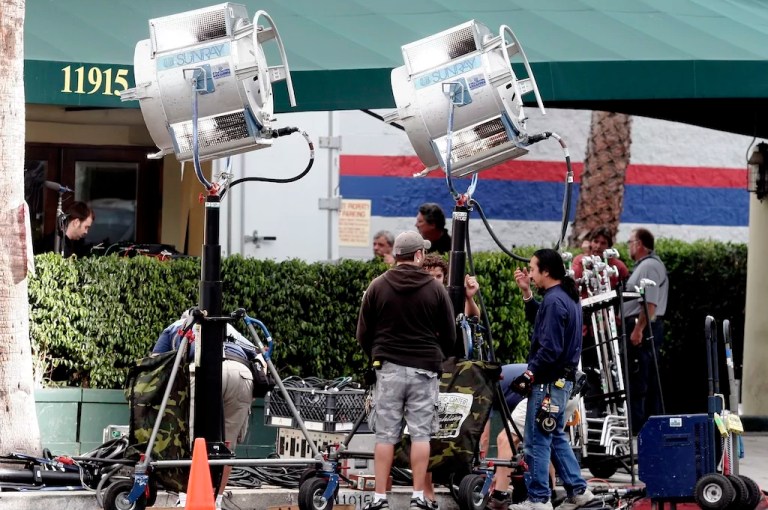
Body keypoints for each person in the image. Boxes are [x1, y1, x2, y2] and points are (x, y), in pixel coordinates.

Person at [357, 231, 457, 510]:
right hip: (424, 370)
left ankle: (379, 498)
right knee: (421, 435)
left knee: (385, 435)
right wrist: (435, 353)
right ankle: (418, 497)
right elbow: (450, 337)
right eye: (422, 253)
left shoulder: (377, 285)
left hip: (388, 370)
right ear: (417, 256)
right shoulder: (435, 289)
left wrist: (378, 354)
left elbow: (363, 333)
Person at [508, 249, 594, 510]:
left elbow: (550, 348)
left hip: (548, 383)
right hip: (561, 383)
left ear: (546, 271)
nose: (530, 275)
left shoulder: (555, 301)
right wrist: (526, 293)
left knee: (535, 439)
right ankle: (579, 491)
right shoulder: (565, 297)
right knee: (554, 435)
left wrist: (530, 373)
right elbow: (543, 323)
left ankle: (538, 500)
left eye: (532, 270)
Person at [152, 313, 259, 508]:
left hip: (201, 371)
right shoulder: (229, 328)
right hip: (240, 372)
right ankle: (215, 503)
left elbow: (156, 363)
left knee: (189, 440)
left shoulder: (176, 327)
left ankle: (185, 500)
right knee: (226, 446)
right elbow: (260, 357)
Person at [489, 364, 583, 510]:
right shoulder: (501, 377)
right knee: (548, 440)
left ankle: (499, 496)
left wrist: (496, 473)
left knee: (506, 439)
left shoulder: (488, 389)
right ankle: (549, 495)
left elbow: (484, 438)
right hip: (569, 389)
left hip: (546, 390)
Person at [622, 228, 668, 435]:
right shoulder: (646, 265)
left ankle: (642, 428)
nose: (628, 245)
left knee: (641, 377)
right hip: (641, 326)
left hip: (644, 328)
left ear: (639, 244)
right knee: (640, 377)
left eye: (630, 241)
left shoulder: (649, 266)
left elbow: (650, 303)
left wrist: (638, 329)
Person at [572, 226, 629, 292]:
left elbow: (626, 290)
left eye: (603, 243)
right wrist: (586, 260)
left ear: (609, 246)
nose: (598, 246)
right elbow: (574, 284)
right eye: (596, 242)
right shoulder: (579, 260)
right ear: (590, 243)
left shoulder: (618, 266)